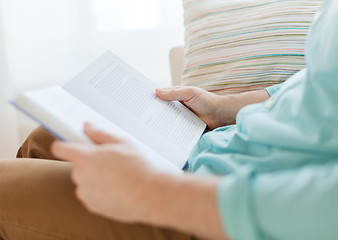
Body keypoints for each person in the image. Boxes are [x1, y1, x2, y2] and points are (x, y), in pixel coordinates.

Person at [1, 0, 338, 239]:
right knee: (46, 139)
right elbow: (317, 85)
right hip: (221, 153)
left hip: (237, 210)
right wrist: (223, 107)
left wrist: (151, 192)